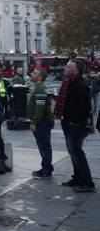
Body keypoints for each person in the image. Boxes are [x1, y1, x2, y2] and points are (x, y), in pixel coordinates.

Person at [55, 59, 95, 192]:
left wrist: (74, 121)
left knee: (77, 152)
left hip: (76, 124)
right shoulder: (69, 82)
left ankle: (88, 183)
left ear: (76, 70)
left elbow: (85, 107)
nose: (65, 68)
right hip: (68, 121)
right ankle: (77, 178)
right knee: (73, 152)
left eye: (68, 66)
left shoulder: (81, 84)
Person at [27, 68, 54, 178]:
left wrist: (34, 122)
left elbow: (40, 107)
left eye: (34, 73)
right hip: (42, 121)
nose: (31, 74)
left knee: (44, 146)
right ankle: (46, 167)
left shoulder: (40, 88)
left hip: (43, 122)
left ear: (40, 77)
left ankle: (46, 170)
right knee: (43, 146)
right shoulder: (38, 87)